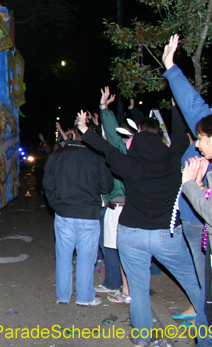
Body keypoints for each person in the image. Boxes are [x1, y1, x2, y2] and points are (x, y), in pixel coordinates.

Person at [77, 108, 201, 346]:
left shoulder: (129, 166)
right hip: (167, 233)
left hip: (131, 234)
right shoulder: (175, 161)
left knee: (138, 289)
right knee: (192, 281)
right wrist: (176, 108)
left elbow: (107, 149)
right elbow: (179, 137)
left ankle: (142, 337)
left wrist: (85, 129)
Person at [163, 33, 212, 332]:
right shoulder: (209, 148)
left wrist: (191, 184)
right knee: (209, 293)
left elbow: (192, 107)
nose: (199, 141)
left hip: (207, 229)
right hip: (197, 223)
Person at [43, 125, 113, 306]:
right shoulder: (97, 157)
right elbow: (106, 186)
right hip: (88, 214)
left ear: (72, 135)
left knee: (64, 257)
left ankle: (63, 296)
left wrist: (55, 204)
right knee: (86, 258)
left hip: (64, 213)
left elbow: (47, 183)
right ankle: (84, 297)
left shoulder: (58, 155)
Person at [182, 113, 212, 345]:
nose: (197, 144)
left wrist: (189, 185)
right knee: (209, 319)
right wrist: (199, 185)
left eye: (200, 138)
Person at [95, 88, 131, 304]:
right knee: (114, 248)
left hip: (119, 205)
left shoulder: (122, 150)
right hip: (119, 205)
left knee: (117, 249)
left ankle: (121, 287)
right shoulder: (131, 150)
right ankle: (116, 284)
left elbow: (113, 139)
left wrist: (104, 109)